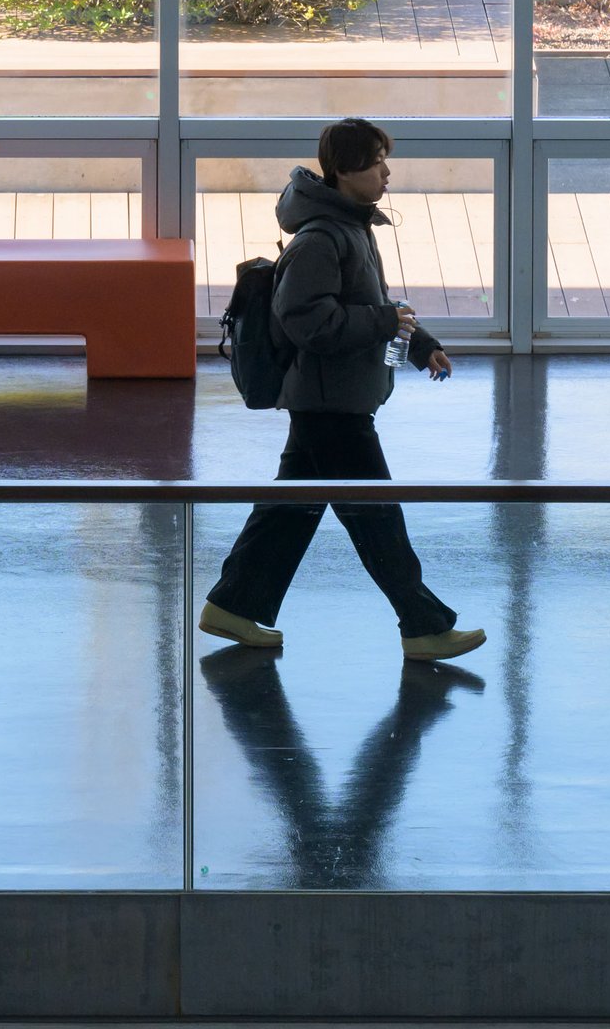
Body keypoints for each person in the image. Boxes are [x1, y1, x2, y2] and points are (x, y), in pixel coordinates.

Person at [198, 118, 488, 663]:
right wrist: (383, 324)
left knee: (288, 511)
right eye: (378, 160)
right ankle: (423, 626)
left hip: (333, 399)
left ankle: (233, 605)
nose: (387, 172)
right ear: (348, 169)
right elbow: (307, 322)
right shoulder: (321, 238)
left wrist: (418, 341)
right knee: (376, 517)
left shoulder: (350, 228)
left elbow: (373, 301)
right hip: (330, 404)